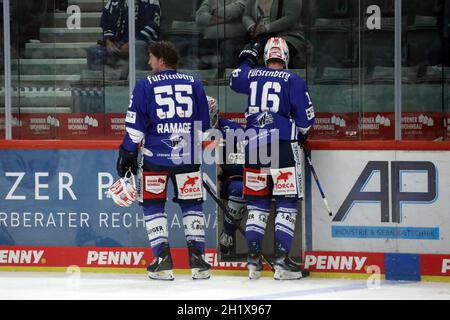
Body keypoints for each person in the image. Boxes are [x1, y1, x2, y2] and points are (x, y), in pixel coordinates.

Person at [116, 41, 212, 281]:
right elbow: (203, 132)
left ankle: (163, 261)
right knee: (192, 205)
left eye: (151, 58)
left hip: (155, 159)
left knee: (153, 205)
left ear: (161, 60)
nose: (149, 62)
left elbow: (135, 132)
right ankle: (199, 262)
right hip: (187, 157)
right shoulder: (194, 83)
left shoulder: (145, 85)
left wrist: (127, 154)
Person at [229, 37, 315, 280]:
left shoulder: (253, 74)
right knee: (286, 201)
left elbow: (235, 78)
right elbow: (306, 120)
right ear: (286, 57)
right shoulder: (294, 80)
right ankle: (281, 262)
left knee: (257, 202)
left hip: (255, 145)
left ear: (266, 56)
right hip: (282, 146)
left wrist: (246, 57)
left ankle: (253, 261)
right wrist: (303, 134)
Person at [206, 96, 247, 256]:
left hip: (228, 181)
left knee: (240, 189)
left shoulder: (234, 130)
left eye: (210, 117)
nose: (207, 122)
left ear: (217, 114)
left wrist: (223, 168)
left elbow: (245, 163)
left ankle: (227, 235)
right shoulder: (188, 131)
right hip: (198, 182)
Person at [87, 0, 161, 73]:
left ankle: (137, 81)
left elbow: (153, 25)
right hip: (118, 44)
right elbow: (106, 22)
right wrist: (108, 41)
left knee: (137, 46)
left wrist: (132, 43)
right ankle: (97, 83)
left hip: (143, 42)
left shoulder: (151, 1)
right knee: (94, 50)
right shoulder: (114, 2)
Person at [242, 0, 309, 68]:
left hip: (287, 35)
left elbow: (291, 17)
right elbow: (246, 15)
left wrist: (266, 28)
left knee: (270, 54)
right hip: (259, 36)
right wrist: (252, 26)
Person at [195, 0, 247, 68]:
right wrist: (225, 20)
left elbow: (231, 12)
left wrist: (213, 12)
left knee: (227, 47)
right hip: (209, 40)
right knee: (188, 45)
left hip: (234, 39)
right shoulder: (210, 1)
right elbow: (200, 17)